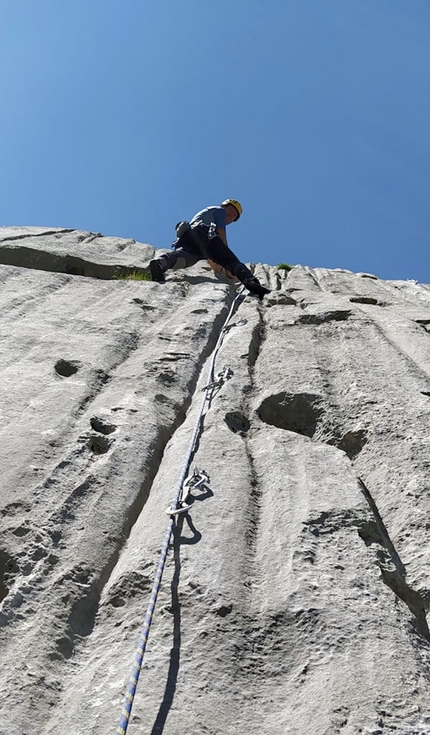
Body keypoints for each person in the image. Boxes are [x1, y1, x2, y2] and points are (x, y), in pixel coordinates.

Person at [148, 199, 270, 299]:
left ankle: (160, 263)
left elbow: (213, 261)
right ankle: (252, 283)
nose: (231, 215)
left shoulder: (206, 215)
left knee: (182, 259)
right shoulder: (219, 211)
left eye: (234, 216)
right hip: (204, 233)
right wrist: (229, 264)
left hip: (191, 239)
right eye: (231, 210)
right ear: (224, 206)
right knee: (231, 260)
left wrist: (224, 271)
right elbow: (221, 237)